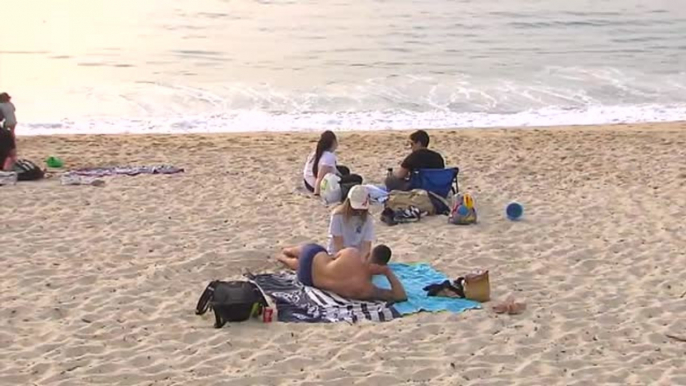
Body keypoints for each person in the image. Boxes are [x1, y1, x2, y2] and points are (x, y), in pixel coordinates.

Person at [276, 243, 407, 302]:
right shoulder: (366, 289)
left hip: (313, 255)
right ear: (381, 268)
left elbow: (333, 256)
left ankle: (286, 251)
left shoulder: (352, 253)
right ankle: (284, 259)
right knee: (300, 266)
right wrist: (388, 273)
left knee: (308, 253)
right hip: (307, 278)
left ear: (368, 255)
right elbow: (401, 296)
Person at [302, 130, 362, 196]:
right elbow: (320, 177)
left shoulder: (318, 152)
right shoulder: (328, 157)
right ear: (333, 142)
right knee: (357, 179)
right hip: (316, 185)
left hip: (308, 181)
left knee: (345, 170)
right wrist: (317, 193)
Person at [328, 185, 374, 259]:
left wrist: (361, 261)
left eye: (361, 209)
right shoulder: (337, 216)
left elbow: (367, 245)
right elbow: (338, 245)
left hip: (358, 256)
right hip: (338, 255)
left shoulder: (368, 219)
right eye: (356, 209)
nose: (359, 211)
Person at [0, 93, 17, 171]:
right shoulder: (10, 104)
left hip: (7, 121)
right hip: (13, 120)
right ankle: (12, 141)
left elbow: (2, 114)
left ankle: (11, 141)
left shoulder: (1, 105)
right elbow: (14, 109)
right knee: (11, 132)